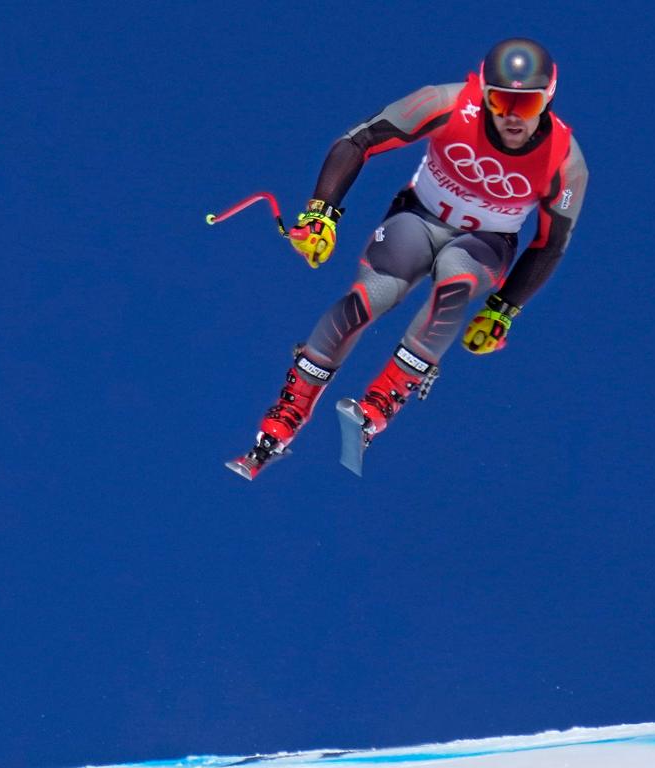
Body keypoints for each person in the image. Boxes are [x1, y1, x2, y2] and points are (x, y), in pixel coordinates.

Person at [227, 37, 588, 480]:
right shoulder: (449, 104)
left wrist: (503, 309)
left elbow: (551, 243)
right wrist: (322, 212)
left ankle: (381, 403)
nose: (512, 116)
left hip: (487, 242)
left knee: (456, 281)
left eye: (526, 103)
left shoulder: (564, 161)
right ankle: (288, 412)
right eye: (501, 101)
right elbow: (360, 139)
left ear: (548, 100)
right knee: (372, 296)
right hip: (419, 217)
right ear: (483, 93)